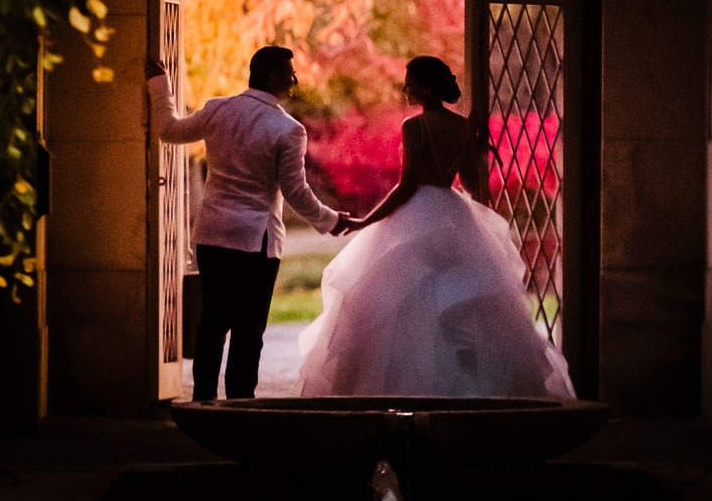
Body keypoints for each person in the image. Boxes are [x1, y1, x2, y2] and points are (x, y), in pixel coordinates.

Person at [297, 54, 575, 399]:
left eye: (410, 81)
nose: (405, 88)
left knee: (407, 303)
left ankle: (406, 389)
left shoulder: (415, 127)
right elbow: (473, 186)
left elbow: (408, 185)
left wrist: (366, 221)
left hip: (418, 212)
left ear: (426, 88)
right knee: (456, 300)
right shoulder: (462, 128)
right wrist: (475, 150)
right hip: (453, 212)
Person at [145, 45, 350, 401]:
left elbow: (168, 130)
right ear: (271, 76)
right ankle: (240, 402)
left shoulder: (218, 109)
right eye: (289, 72)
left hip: (211, 235)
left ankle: (203, 401)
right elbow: (296, 192)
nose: (294, 78)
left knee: (211, 323)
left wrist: (159, 84)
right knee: (248, 329)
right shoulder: (288, 129)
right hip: (256, 241)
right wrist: (330, 221)